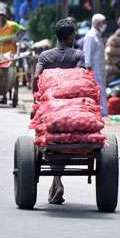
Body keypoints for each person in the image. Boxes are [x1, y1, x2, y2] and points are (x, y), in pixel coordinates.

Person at [33, 18, 85, 205]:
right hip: (74, 107)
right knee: (68, 137)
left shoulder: (45, 56)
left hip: (50, 106)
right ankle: (57, 181)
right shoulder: (77, 55)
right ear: (70, 36)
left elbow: (37, 77)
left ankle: (57, 181)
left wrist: (37, 100)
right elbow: (81, 76)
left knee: (53, 140)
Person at [0, 8, 24, 104]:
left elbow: (23, 30)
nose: (2, 17)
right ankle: (4, 97)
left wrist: (16, 39)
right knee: (2, 75)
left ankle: (15, 95)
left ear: (6, 16)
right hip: (1, 55)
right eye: (0, 15)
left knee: (14, 75)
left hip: (11, 54)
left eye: (3, 15)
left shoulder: (12, 25)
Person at [83, 14, 108, 117]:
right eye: (103, 23)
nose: (104, 25)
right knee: (96, 90)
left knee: (101, 90)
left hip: (100, 68)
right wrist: (88, 70)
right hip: (94, 69)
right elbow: (87, 54)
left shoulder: (98, 35)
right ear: (98, 23)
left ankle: (102, 112)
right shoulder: (90, 36)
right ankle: (97, 112)